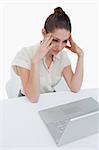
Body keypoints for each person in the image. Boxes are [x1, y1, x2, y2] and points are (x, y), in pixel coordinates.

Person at [12, 7, 84, 103]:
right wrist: (35, 60)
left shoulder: (62, 57)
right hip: (26, 102)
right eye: (55, 40)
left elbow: (75, 87)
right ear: (44, 33)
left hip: (50, 99)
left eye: (64, 41)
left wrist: (81, 55)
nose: (59, 47)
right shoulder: (25, 54)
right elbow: (33, 98)